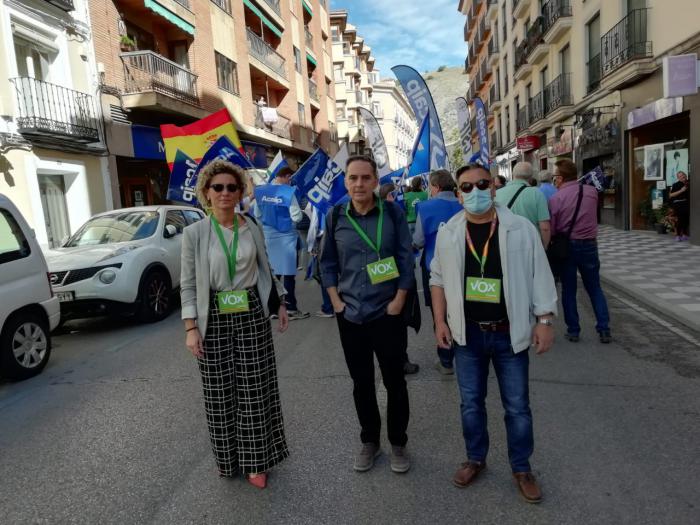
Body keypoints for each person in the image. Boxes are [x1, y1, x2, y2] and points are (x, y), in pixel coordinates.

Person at [430, 162, 557, 503]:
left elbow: (539, 275)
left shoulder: (520, 229)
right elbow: (437, 279)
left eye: (482, 184)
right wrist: (440, 323)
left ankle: (521, 467)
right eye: (467, 187)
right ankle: (476, 459)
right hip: (467, 335)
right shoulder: (449, 232)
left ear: (494, 187)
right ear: (458, 195)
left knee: (517, 406)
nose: (475, 192)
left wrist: (544, 321)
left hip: (508, 333)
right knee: (471, 404)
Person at [181, 160, 289, 489]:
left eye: (232, 187)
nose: (225, 193)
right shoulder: (194, 233)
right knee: (219, 394)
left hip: (250, 311)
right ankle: (227, 459)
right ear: (207, 193)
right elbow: (187, 282)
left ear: (241, 192)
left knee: (255, 391)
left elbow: (265, 266)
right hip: (212, 315)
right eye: (218, 188)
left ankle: (256, 462)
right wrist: (190, 328)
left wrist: (281, 300)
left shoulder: (251, 225)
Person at [320, 155, 414, 474]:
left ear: (375, 181)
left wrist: (400, 299)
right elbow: (327, 263)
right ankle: (370, 441)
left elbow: (405, 259)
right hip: (351, 316)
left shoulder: (393, 213)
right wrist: (335, 301)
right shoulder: (335, 217)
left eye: (365, 178)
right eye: (352, 178)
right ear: (345, 182)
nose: (358, 184)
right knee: (361, 382)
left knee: (394, 381)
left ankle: (398, 443)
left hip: (387, 311)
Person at [549, 159, 611, 344]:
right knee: (595, 287)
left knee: (569, 289)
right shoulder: (592, 192)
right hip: (590, 245)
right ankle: (604, 328)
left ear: (560, 178)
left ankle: (574, 330)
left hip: (567, 246)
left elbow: (553, 227)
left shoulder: (556, 198)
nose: (554, 181)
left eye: (555, 177)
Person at [413, 169, 462, 375]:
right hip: (464, 264)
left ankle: (446, 360)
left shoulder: (425, 208)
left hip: (434, 267)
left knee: (439, 313)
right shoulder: (463, 204)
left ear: (436, 187)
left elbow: (419, 240)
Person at [253, 166, 310, 320]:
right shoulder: (288, 192)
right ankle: (291, 307)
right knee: (289, 274)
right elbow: (296, 217)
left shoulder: (261, 191)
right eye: (290, 179)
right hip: (286, 237)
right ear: (286, 176)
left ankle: (273, 308)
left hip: (268, 236)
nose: (290, 182)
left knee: (274, 273)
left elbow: (257, 214)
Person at [378, 181, 419, 375]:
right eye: (393, 195)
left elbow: (405, 248)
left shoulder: (396, 214)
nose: (397, 198)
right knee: (389, 322)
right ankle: (395, 359)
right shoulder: (381, 215)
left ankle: (401, 359)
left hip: (394, 273)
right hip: (382, 274)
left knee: (399, 319)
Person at [495, 162, 551, 248]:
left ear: (513, 174)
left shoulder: (496, 194)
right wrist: (544, 247)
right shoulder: (537, 193)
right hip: (531, 245)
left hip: (504, 244)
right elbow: (545, 228)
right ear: (531, 177)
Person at [669, 171, 690, 241]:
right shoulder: (676, 185)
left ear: (686, 175)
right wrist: (681, 190)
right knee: (680, 219)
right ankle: (678, 235)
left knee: (686, 219)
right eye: (680, 176)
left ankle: (684, 234)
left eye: (683, 175)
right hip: (678, 204)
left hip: (687, 204)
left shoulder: (689, 183)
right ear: (678, 178)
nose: (682, 177)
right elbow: (671, 195)